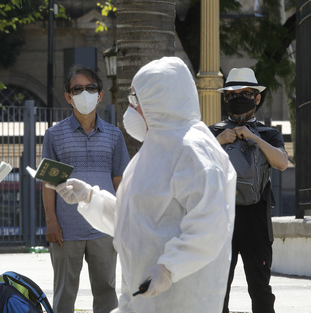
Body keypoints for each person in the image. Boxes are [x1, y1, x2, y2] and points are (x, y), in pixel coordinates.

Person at [47, 56, 237, 312]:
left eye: (136, 99)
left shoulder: (194, 150)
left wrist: (169, 268)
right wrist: (91, 198)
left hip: (179, 299)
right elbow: (133, 220)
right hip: (144, 298)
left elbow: (211, 224)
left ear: (159, 100)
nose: (130, 107)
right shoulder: (153, 150)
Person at [42, 65, 130, 313]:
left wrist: (122, 220)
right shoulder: (54, 135)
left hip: (104, 227)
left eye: (90, 88)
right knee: (64, 294)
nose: (85, 93)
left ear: (100, 94)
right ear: (68, 96)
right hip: (66, 229)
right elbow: (48, 183)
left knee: (107, 293)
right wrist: (51, 221)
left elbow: (119, 182)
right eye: (77, 89)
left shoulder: (114, 135)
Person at [208, 67, 288, 313]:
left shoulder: (269, 134)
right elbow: (190, 164)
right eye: (233, 94)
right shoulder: (211, 132)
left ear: (257, 98)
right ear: (225, 98)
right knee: (217, 289)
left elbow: (282, 163)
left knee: (260, 287)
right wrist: (219, 141)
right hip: (219, 219)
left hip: (256, 219)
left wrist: (256, 140)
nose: (239, 98)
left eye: (246, 93)